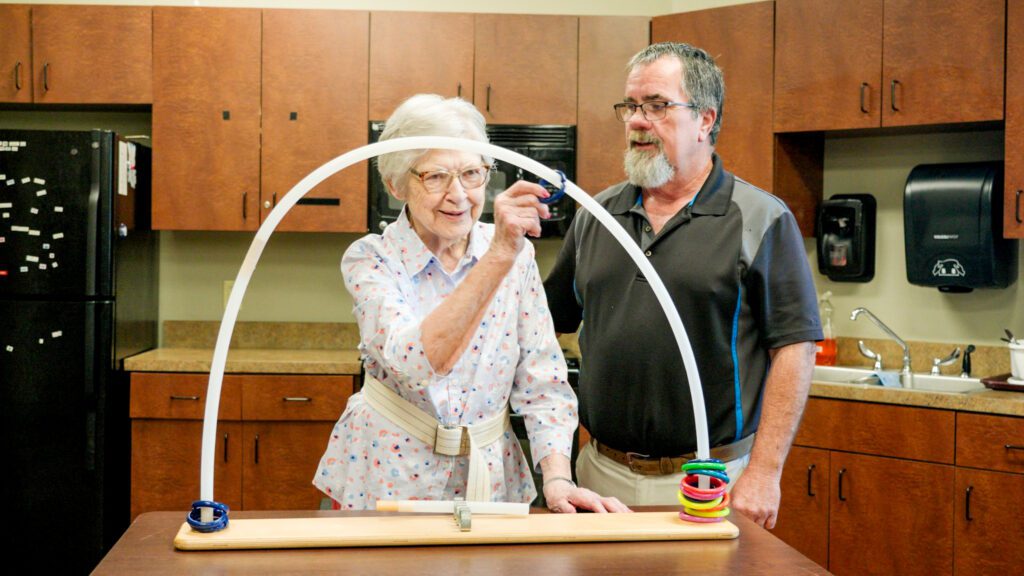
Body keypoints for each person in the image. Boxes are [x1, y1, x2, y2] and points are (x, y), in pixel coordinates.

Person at [543, 42, 821, 528]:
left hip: (705, 480)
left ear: (705, 119)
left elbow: (795, 350)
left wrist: (764, 472)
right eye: (631, 106)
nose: (636, 121)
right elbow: (545, 326)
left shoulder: (759, 219)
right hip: (597, 475)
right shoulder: (596, 216)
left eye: (656, 105)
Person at [314, 94, 628, 514]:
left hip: (489, 478)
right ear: (395, 184)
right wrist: (499, 253)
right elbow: (416, 361)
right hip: (385, 474)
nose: (458, 195)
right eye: (436, 176)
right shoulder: (372, 259)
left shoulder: (517, 255)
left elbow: (543, 378)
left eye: (471, 173)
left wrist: (557, 478)